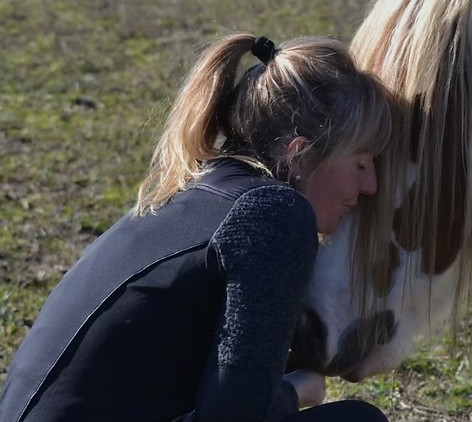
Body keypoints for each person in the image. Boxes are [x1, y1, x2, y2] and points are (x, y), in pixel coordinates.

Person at [0, 34, 392, 422]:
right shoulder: (275, 214)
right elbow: (235, 415)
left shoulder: (195, 188)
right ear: (300, 153)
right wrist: (298, 390)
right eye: (360, 164)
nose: (370, 186)